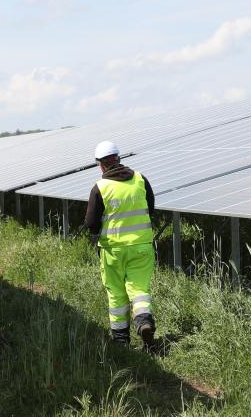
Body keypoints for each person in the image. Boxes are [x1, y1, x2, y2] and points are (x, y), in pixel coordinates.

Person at [82, 140, 157, 348]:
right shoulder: (141, 180)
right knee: (139, 289)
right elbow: (150, 209)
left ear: (101, 164)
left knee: (116, 294)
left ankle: (121, 341)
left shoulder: (101, 188)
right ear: (119, 158)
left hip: (112, 251)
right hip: (141, 247)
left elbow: (91, 223)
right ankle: (144, 322)